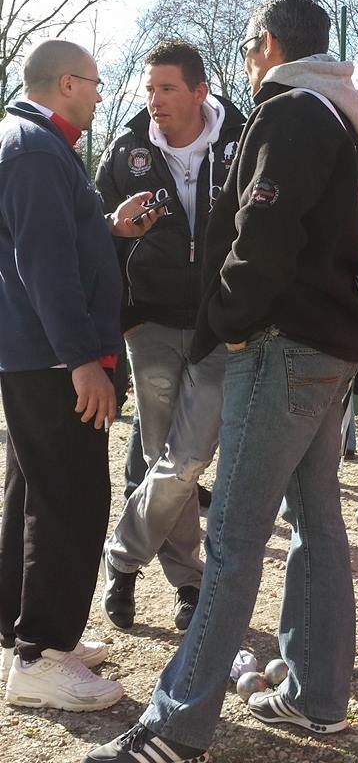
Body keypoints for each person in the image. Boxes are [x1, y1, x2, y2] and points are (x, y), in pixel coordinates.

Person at [83, 0, 358, 763]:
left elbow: (261, 237)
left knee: (232, 539)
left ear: (269, 45)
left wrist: (223, 320)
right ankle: (317, 699)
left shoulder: (289, 113)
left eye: (252, 46)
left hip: (280, 348)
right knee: (316, 524)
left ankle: (177, 727)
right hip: (329, 349)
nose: (248, 60)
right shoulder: (344, 121)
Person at [0, 39, 161, 712]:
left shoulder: (31, 144)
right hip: (52, 359)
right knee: (71, 500)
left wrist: (108, 230)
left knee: (33, 493)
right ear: (66, 83)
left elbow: (51, 243)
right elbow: (45, 267)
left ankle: (22, 629)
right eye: (94, 83)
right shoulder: (37, 150)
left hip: (34, 356)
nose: (101, 94)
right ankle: (40, 655)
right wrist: (82, 362)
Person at [95, 41, 245, 633]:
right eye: (149, 89)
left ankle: (122, 556)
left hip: (218, 325)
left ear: (199, 91)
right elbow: (99, 239)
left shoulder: (241, 141)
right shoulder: (126, 150)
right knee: (166, 459)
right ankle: (188, 580)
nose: (154, 100)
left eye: (167, 88)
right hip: (150, 325)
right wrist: (124, 317)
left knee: (185, 459)